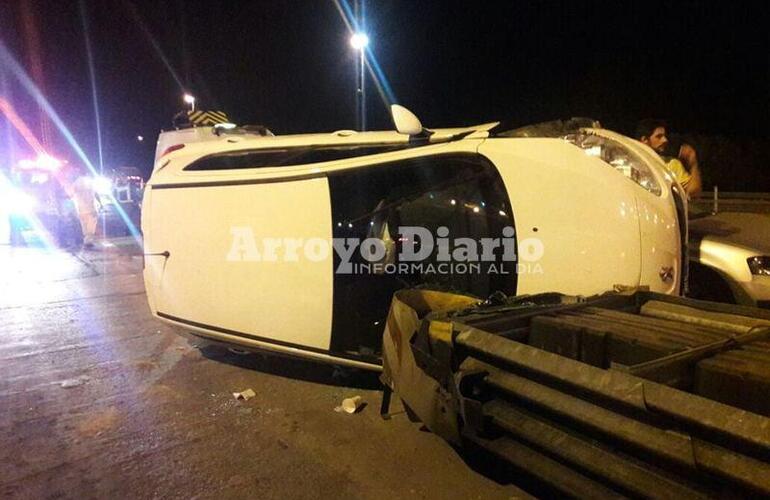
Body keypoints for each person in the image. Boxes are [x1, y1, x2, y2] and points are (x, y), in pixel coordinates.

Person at [636, 119, 702, 196]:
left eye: (664, 136)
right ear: (644, 140)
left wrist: (693, 165)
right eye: (659, 136)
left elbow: (693, 192)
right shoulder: (629, 161)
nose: (665, 140)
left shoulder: (672, 164)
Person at [63, 165, 99, 249]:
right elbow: (95, 193)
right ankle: (88, 241)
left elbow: (70, 194)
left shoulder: (76, 182)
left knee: (84, 225)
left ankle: (86, 240)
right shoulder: (90, 181)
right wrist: (99, 203)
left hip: (80, 208)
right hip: (91, 207)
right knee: (91, 225)